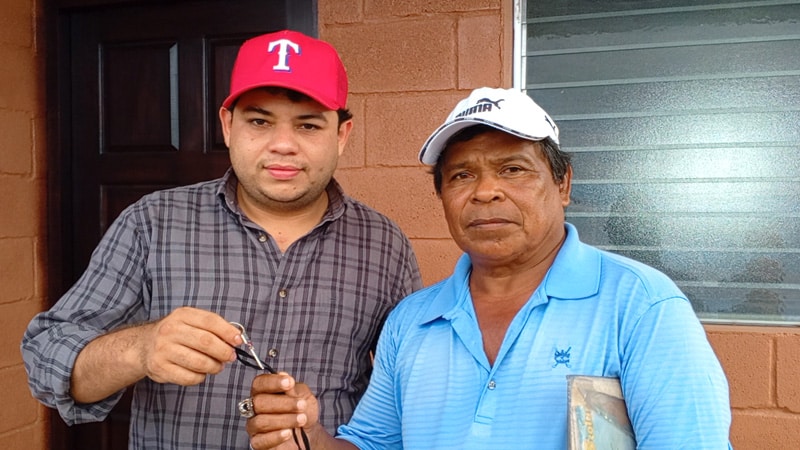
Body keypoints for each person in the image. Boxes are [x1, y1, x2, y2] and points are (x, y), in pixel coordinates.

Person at [243, 87, 733, 449]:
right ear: (443, 197)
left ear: (562, 184)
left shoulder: (641, 306)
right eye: (461, 175)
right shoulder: (413, 321)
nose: (485, 191)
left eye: (513, 169)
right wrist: (306, 435)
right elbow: (373, 445)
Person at [21, 29, 422, 449]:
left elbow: (407, 392)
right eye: (259, 121)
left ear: (341, 135)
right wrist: (141, 348)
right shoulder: (153, 222)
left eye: (308, 124)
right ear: (228, 126)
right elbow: (46, 361)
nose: (283, 145)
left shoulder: (383, 243)